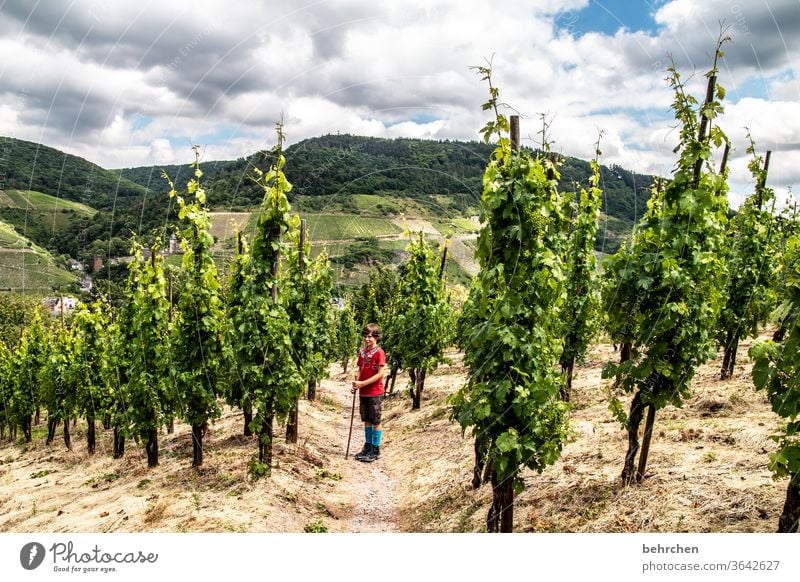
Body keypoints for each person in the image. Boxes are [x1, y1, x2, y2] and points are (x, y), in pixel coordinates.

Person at [351, 323, 386, 462]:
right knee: (366, 419)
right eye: (365, 336)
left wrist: (363, 383)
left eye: (370, 336)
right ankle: (368, 446)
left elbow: (380, 374)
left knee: (375, 419)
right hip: (363, 392)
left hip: (374, 391)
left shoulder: (379, 353)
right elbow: (360, 369)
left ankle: (375, 449)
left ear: (376, 337)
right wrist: (356, 384)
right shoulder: (362, 352)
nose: (367, 339)